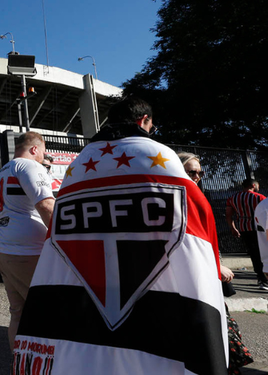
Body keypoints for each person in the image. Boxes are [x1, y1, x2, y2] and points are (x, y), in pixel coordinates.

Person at [12, 96, 228, 374]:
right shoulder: (160, 157)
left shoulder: (79, 166)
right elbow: (196, 222)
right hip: (157, 299)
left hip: (86, 301)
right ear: (144, 121)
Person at [179, 152, 253, 374]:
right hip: (194, 275)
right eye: (191, 171)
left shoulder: (195, 194)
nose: (197, 176)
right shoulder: (178, 195)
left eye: (200, 173)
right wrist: (216, 265)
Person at [0, 131, 55, 349]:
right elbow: (47, 206)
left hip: (2, 246)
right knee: (48, 312)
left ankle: (20, 362)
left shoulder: (3, 170)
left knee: (18, 312)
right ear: (35, 149)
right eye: (43, 152)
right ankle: (48, 365)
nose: (43, 158)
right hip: (25, 250)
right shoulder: (30, 166)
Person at [226, 178, 268, 290]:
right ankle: (265, 278)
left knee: (254, 254)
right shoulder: (260, 198)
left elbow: (229, 214)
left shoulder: (233, 198)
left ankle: (261, 279)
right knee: (264, 254)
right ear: (253, 185)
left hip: (244, 229)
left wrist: (233, 228)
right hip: (260, 230)